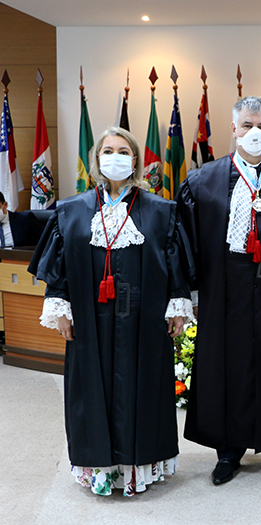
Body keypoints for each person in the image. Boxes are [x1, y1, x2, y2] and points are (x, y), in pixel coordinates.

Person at [28, 126, 194, 497]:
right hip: (90, 316)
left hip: (145, 317)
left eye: (123, 150)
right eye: (107, 150)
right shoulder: (70, 210)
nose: (115, 156)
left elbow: (176, 267)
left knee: (145, 386)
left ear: (134, 160)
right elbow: (59, 269)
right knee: (90, 388)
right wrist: (61, 309)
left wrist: (178, 306)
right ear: (96, 159)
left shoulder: (161, 211)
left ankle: (140, 467)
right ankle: (97, 468)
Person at [177, 96, 261, 485]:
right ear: (233, 129)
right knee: (225, 363)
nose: (255, 133)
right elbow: (187, 242)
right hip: (223, 289)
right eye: (247, 126)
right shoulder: (203, 181)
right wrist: (194, 293)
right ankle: (228, 450)